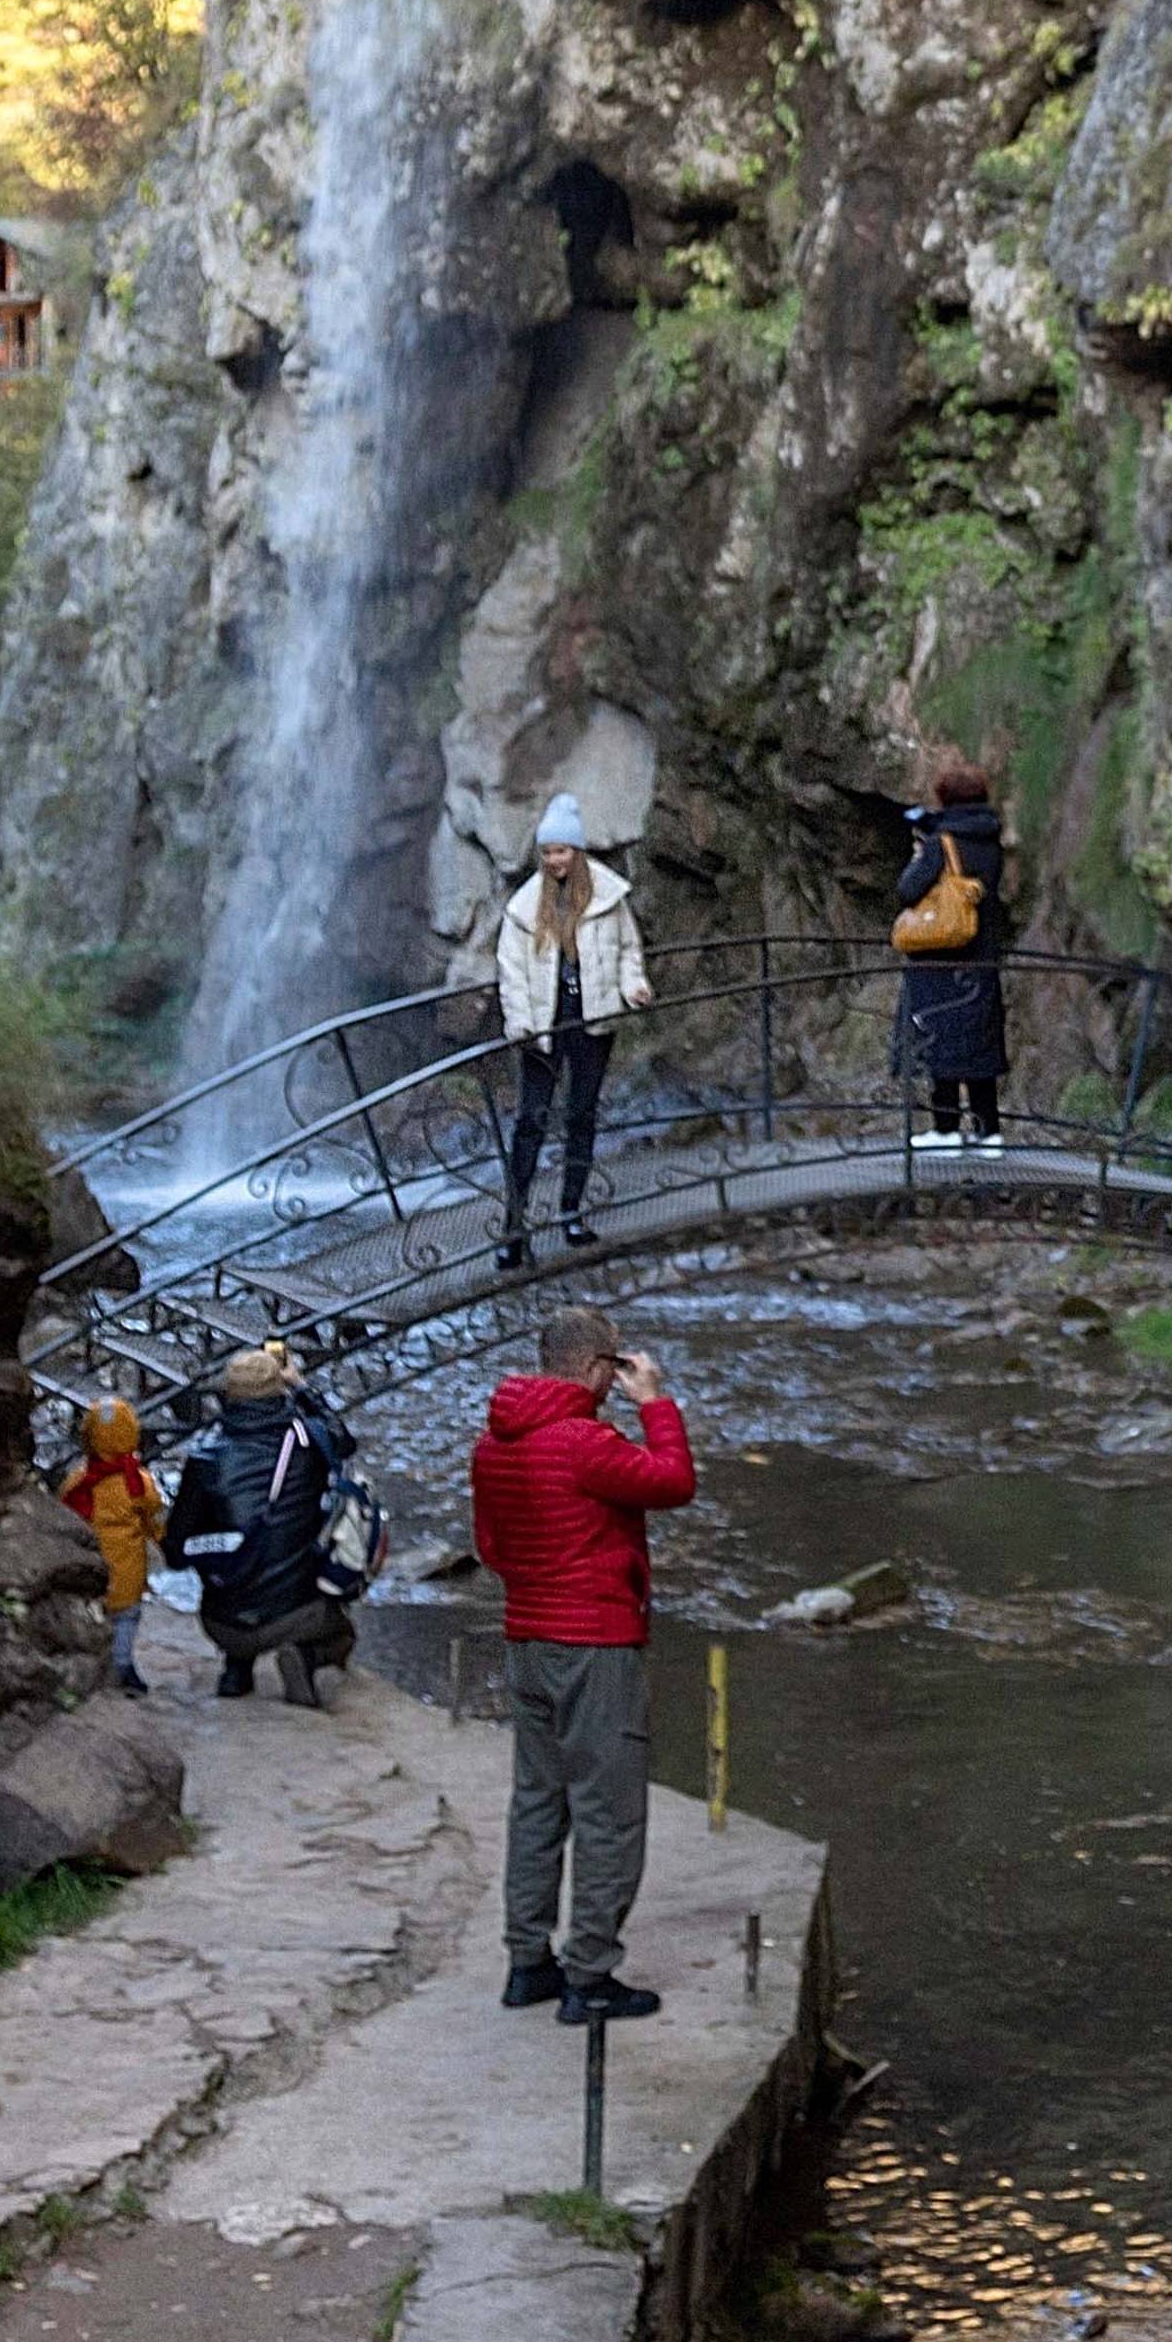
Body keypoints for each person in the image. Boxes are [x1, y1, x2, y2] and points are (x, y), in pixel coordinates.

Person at [465, 1308, 696, 2023]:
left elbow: (491, 1547)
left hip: (527, 1638)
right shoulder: (586, 1443)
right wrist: (654, 1402)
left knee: (537, 1801)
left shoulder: (493, 1443)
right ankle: (589, 1973)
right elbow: (673, 1481)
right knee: (608, 1812)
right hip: (594, 1644)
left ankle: (526, 1961)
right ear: (598, 1367)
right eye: (615, 1364)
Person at [486, 791, 651, 1272]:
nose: (554, 860)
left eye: (561, 850)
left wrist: (634, 986)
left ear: (576, 851)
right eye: (547, 852)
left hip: (592, 1018)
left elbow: (627, 950)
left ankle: (571, 1213)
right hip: (541, 1025)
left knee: (582, 1115)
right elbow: (511, 970)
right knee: (530, 1123)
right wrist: (517, 1020)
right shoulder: (525, 906)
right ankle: (513, 1228)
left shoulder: (608, 896)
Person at [163, 1344, 363, 1707]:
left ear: (228, 1394)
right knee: (339, 1621)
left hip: (220, 1622)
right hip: (298, 1614)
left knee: (237, 1556)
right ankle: (307, 1655)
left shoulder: (205, 1454)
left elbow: (175, 1553)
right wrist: (302, 1387)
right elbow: (345, 1441)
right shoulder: (308, 1441)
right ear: (279, 1389)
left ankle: (236, 1668)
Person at [894, 758, 1013, 1148]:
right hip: (981, 960)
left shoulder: (939, 844)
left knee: (940, 1042)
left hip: (942, 961)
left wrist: (919, 855)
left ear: (945, 798)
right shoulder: (991, 841)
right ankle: (989, 1133)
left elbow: (908, 890)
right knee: (980, 1048)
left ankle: (945, 1131)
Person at [52, 1397, 164, 1697]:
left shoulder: (78, 1481)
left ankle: (93, 1666)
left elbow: (64, 1517)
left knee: (95, 1614)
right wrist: (164, 1541)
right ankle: (122, 1665)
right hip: (127, 1568)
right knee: (126, 1617)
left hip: (91, 1565)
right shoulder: (138, 1482)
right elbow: (154, 1516)